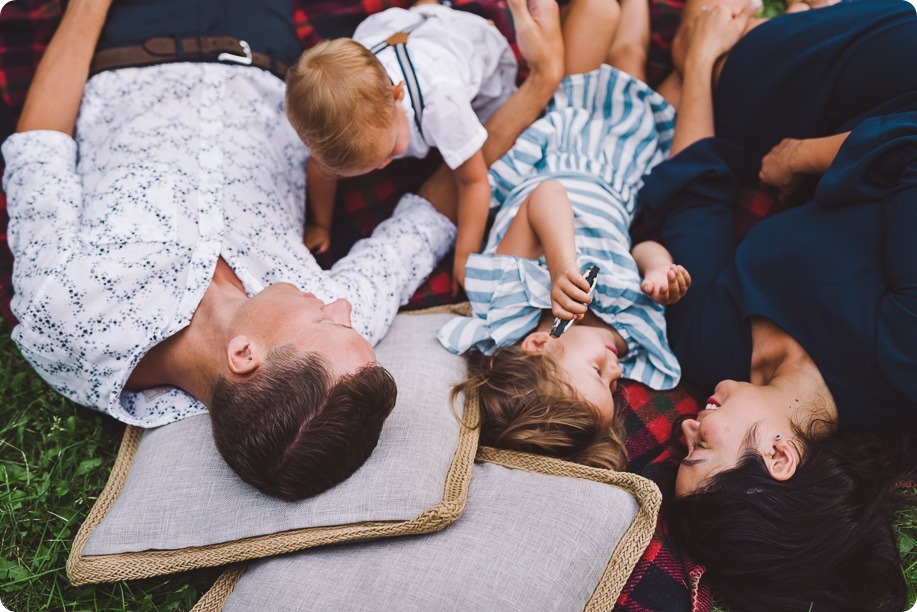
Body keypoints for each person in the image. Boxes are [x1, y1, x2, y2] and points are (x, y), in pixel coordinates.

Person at [3, 0, 564, 501]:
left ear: (245, 355)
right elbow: (428, 219)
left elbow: (39, 149)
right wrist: (542, 81)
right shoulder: (333, 343)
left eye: (326, 319)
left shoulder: (66, 316)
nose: (341, 305)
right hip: (274, 52)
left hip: (142, 35)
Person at [634, 1, 917, 609]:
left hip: (850, 149)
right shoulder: (902, 354)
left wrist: (704, 55)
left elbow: (694, 197)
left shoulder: (711, 351)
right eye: (699, 449)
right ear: (779, 455)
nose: (684, 426)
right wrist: (803, 157)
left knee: (734, 69)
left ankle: (769, 40)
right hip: (898, 114)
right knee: (757, 61)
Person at [438, 0, 691, 471]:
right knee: (653, 63)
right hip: (623, 174)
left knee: (603, 19)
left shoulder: (508, 301)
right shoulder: (623, 334)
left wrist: (560, 267)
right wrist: (658, 270)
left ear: (539, 345)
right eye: (615, 386)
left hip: (565, 144)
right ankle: (691, 39)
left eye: (599, 373)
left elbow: (545, 196)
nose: (617, 371)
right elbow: (639, 248)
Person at [285, 1, 517, 291]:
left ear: (398, 95)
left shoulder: (443, 104)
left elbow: (474, 183)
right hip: (402, 32)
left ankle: (440, 12)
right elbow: (319, 168)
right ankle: (429, 10)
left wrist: (465, 256)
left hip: (478, 55)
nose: (384, 165)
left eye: (392, 151)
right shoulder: (340, 118)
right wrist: (319, 225)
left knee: (498, 138)